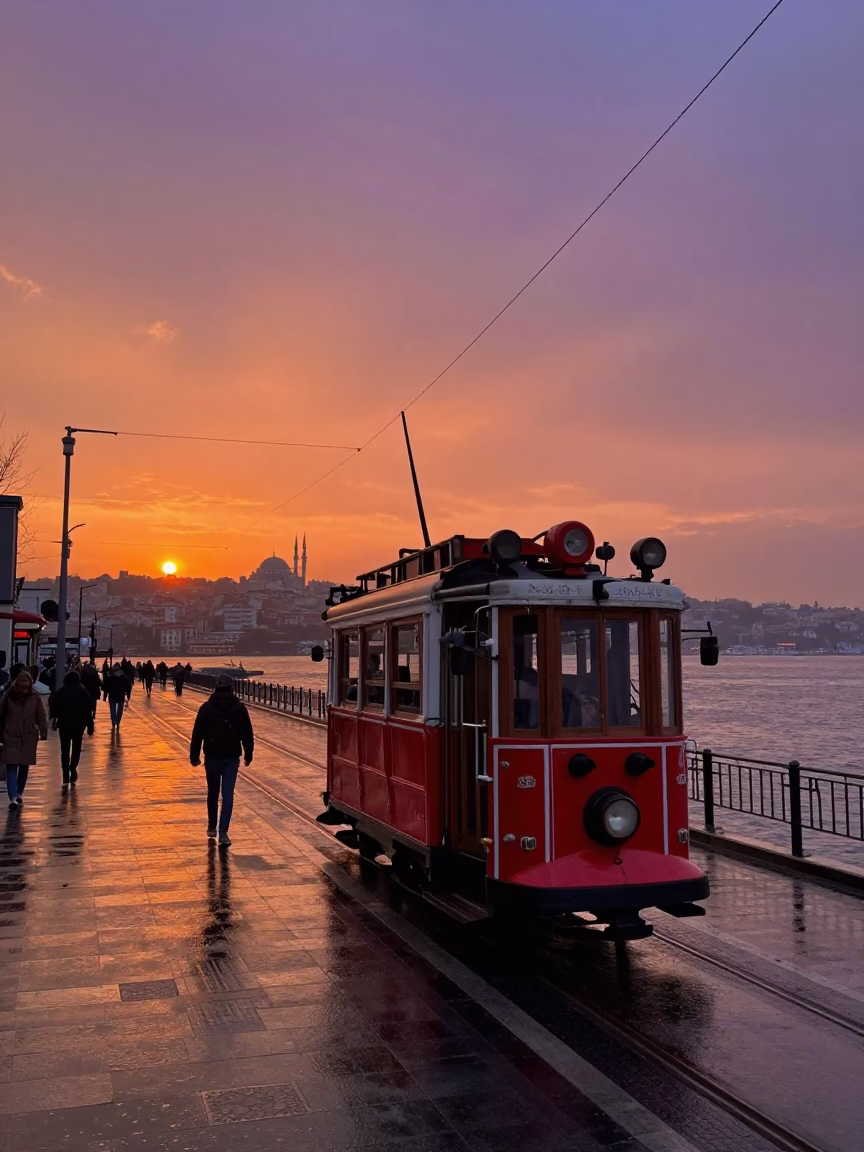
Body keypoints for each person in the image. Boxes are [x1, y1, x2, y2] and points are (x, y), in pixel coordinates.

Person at [189, 674, 253, 847]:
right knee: (228, 795)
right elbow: (247, 734)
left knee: (213, 792)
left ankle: (211, 826)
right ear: (232, 688)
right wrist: (248, 754)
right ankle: (223, 832)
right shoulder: (239, 709)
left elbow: (197, 734)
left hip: (212, 756)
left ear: (216, 687)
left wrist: (194, 756)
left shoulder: (206, 708)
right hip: (231, 757)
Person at [0, 671, 48, 808]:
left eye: (26, 682)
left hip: (28, 736)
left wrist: (43, 730)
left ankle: (19, 793)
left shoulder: (35, 698)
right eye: (21, 682)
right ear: (17, 683)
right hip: (11, 736)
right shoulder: (8, 697)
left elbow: (41, 715)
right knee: (11, 765)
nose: (24, 685)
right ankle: (13, 797)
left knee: (24, 766)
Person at [49, 670, 92, 785]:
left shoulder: (61, 691)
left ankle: (65, 774)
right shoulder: (83, 691)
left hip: (64, 724)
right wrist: (90, 725)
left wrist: (54, 719)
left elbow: (54, 707)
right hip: (78, 725)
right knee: (76, 748)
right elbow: (88, 709)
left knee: (65, 750)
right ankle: (73, 767)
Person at [105, 664, 131, 730]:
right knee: (120, 710)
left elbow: (106, 687)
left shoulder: (110, 677)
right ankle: (118, 722)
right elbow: (128, 686)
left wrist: (105, 696)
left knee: (112, 709)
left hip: (112, 695)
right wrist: (128, 695)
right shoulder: (123, 677)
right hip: (120, 695)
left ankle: (113, 722)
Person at [80, 660, 102, 733]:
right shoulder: (95, 676)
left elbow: (81, 684)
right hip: (93, 693)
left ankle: (85, 725)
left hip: (85, 694)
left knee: (85, 709)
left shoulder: (83, 676)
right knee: (93, 704)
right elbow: (100, 684)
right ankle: (93, 714)